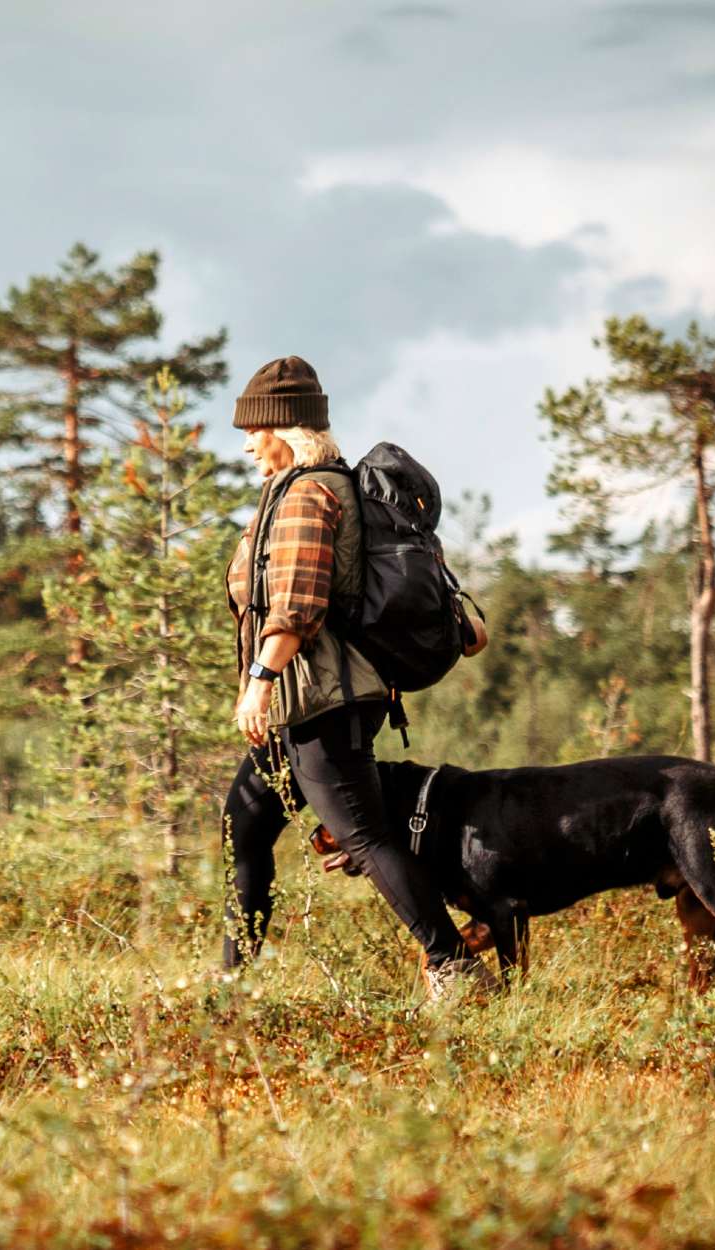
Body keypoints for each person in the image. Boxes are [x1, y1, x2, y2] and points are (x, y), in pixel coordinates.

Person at [221, 355, 496, 1001]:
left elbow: (296, 603)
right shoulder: (303, 490)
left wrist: (259, 681)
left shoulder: (309, 494)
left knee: (365, 836)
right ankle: (232, 981)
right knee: (245, 823)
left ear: (285, 426)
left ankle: (454, 965)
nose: (245, 442)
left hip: (321, 702)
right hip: (303, 703)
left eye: (252, 428)